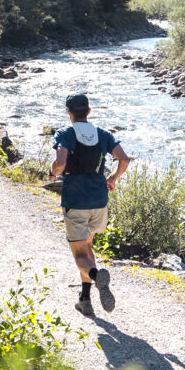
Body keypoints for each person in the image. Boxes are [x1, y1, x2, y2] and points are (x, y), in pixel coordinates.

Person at [50, 92, 131, 317]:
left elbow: (60, 163)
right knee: (88, 248)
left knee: (80, 257)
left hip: (76, 200)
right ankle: (85, 300)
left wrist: (53, 171)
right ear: (88, 111)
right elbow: (124, 160)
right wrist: (112, 179)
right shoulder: (102, 134)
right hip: (99, 201)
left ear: (69, 113)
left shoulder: (65, 133)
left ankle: (97, 277)